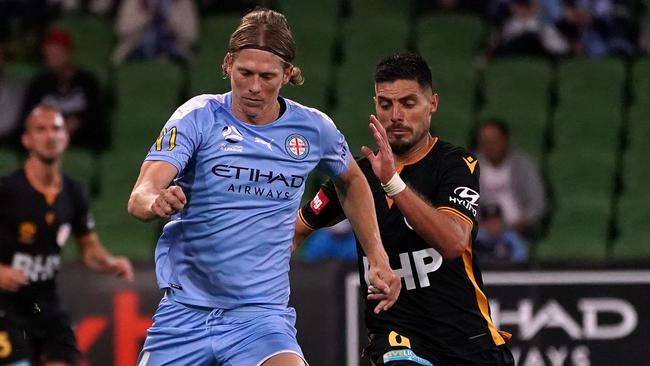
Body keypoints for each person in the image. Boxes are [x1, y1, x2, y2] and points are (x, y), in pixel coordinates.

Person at [127, 8, 400, 366]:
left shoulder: (313, 129)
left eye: (267, 76)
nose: (254, 87)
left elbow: (351, 179)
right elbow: (140, 194)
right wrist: (155, 201)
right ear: (227, 65)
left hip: (260, 318)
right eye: (245, 73)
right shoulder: (198, 115)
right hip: (184, 315)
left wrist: (378, 257)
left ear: (287, 74)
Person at [295, 52, 514, 365]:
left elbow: (453, 242)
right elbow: (295, 231)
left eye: (408, 103)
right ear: (375, 106)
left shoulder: (454, 164)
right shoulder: (355, 179)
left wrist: (393, 183)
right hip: (397, 340)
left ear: (432, 104)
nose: (395, 115)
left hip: (469, 344)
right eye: (386, 104)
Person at [0, 105, 134, 366]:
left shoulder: (73, 192)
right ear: (27, 139)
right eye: (41, 129)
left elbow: (89, 248)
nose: (50, 136)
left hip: (47, 306)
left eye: (56, 129)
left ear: (66, 138)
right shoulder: (7, 190)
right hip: (7, 308)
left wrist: (108, 262)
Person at [20, 27, 110, 153]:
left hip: (81, 142)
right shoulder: (39, 85)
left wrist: (79, 122)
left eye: (57, 53)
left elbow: (98, 118)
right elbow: (27, 119)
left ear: (68, 53)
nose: (52, 59)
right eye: (48, 54)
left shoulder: (87, 82)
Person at [475, 119, 547, 241]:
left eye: (494, 141)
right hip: (481, 230)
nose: (490, 146)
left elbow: (538, 203)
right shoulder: (471, 167)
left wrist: (520, 222)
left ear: (504, 140)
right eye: (485, 142)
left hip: (520, 230)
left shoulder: (524, 165)